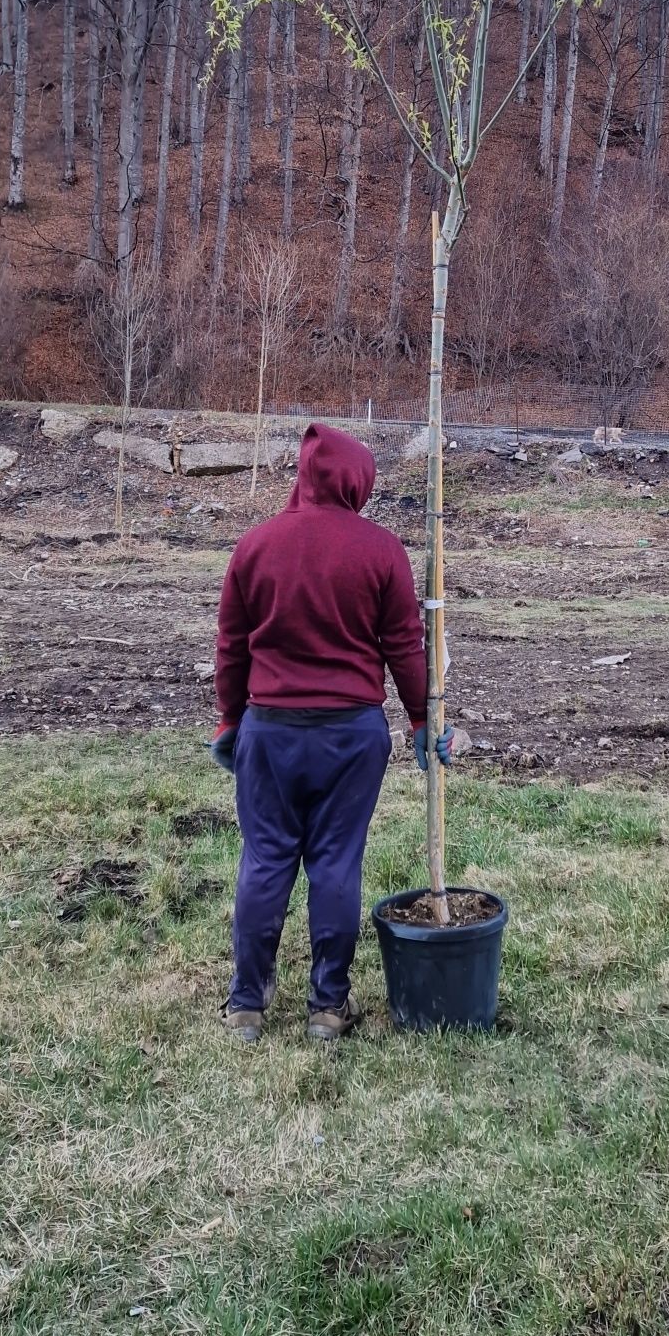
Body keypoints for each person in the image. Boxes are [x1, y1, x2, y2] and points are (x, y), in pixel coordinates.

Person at [209, 422, 452, 1043]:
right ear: (356, 482)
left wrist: (229, 720)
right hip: (352, 736)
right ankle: (327, 1006)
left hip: (269, 731)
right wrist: (423, 721)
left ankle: (247, 1005)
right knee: (336, 864)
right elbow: (405, 648)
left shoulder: (255, 546)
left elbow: (231, 648)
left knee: (265, 860)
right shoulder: (381, 551)